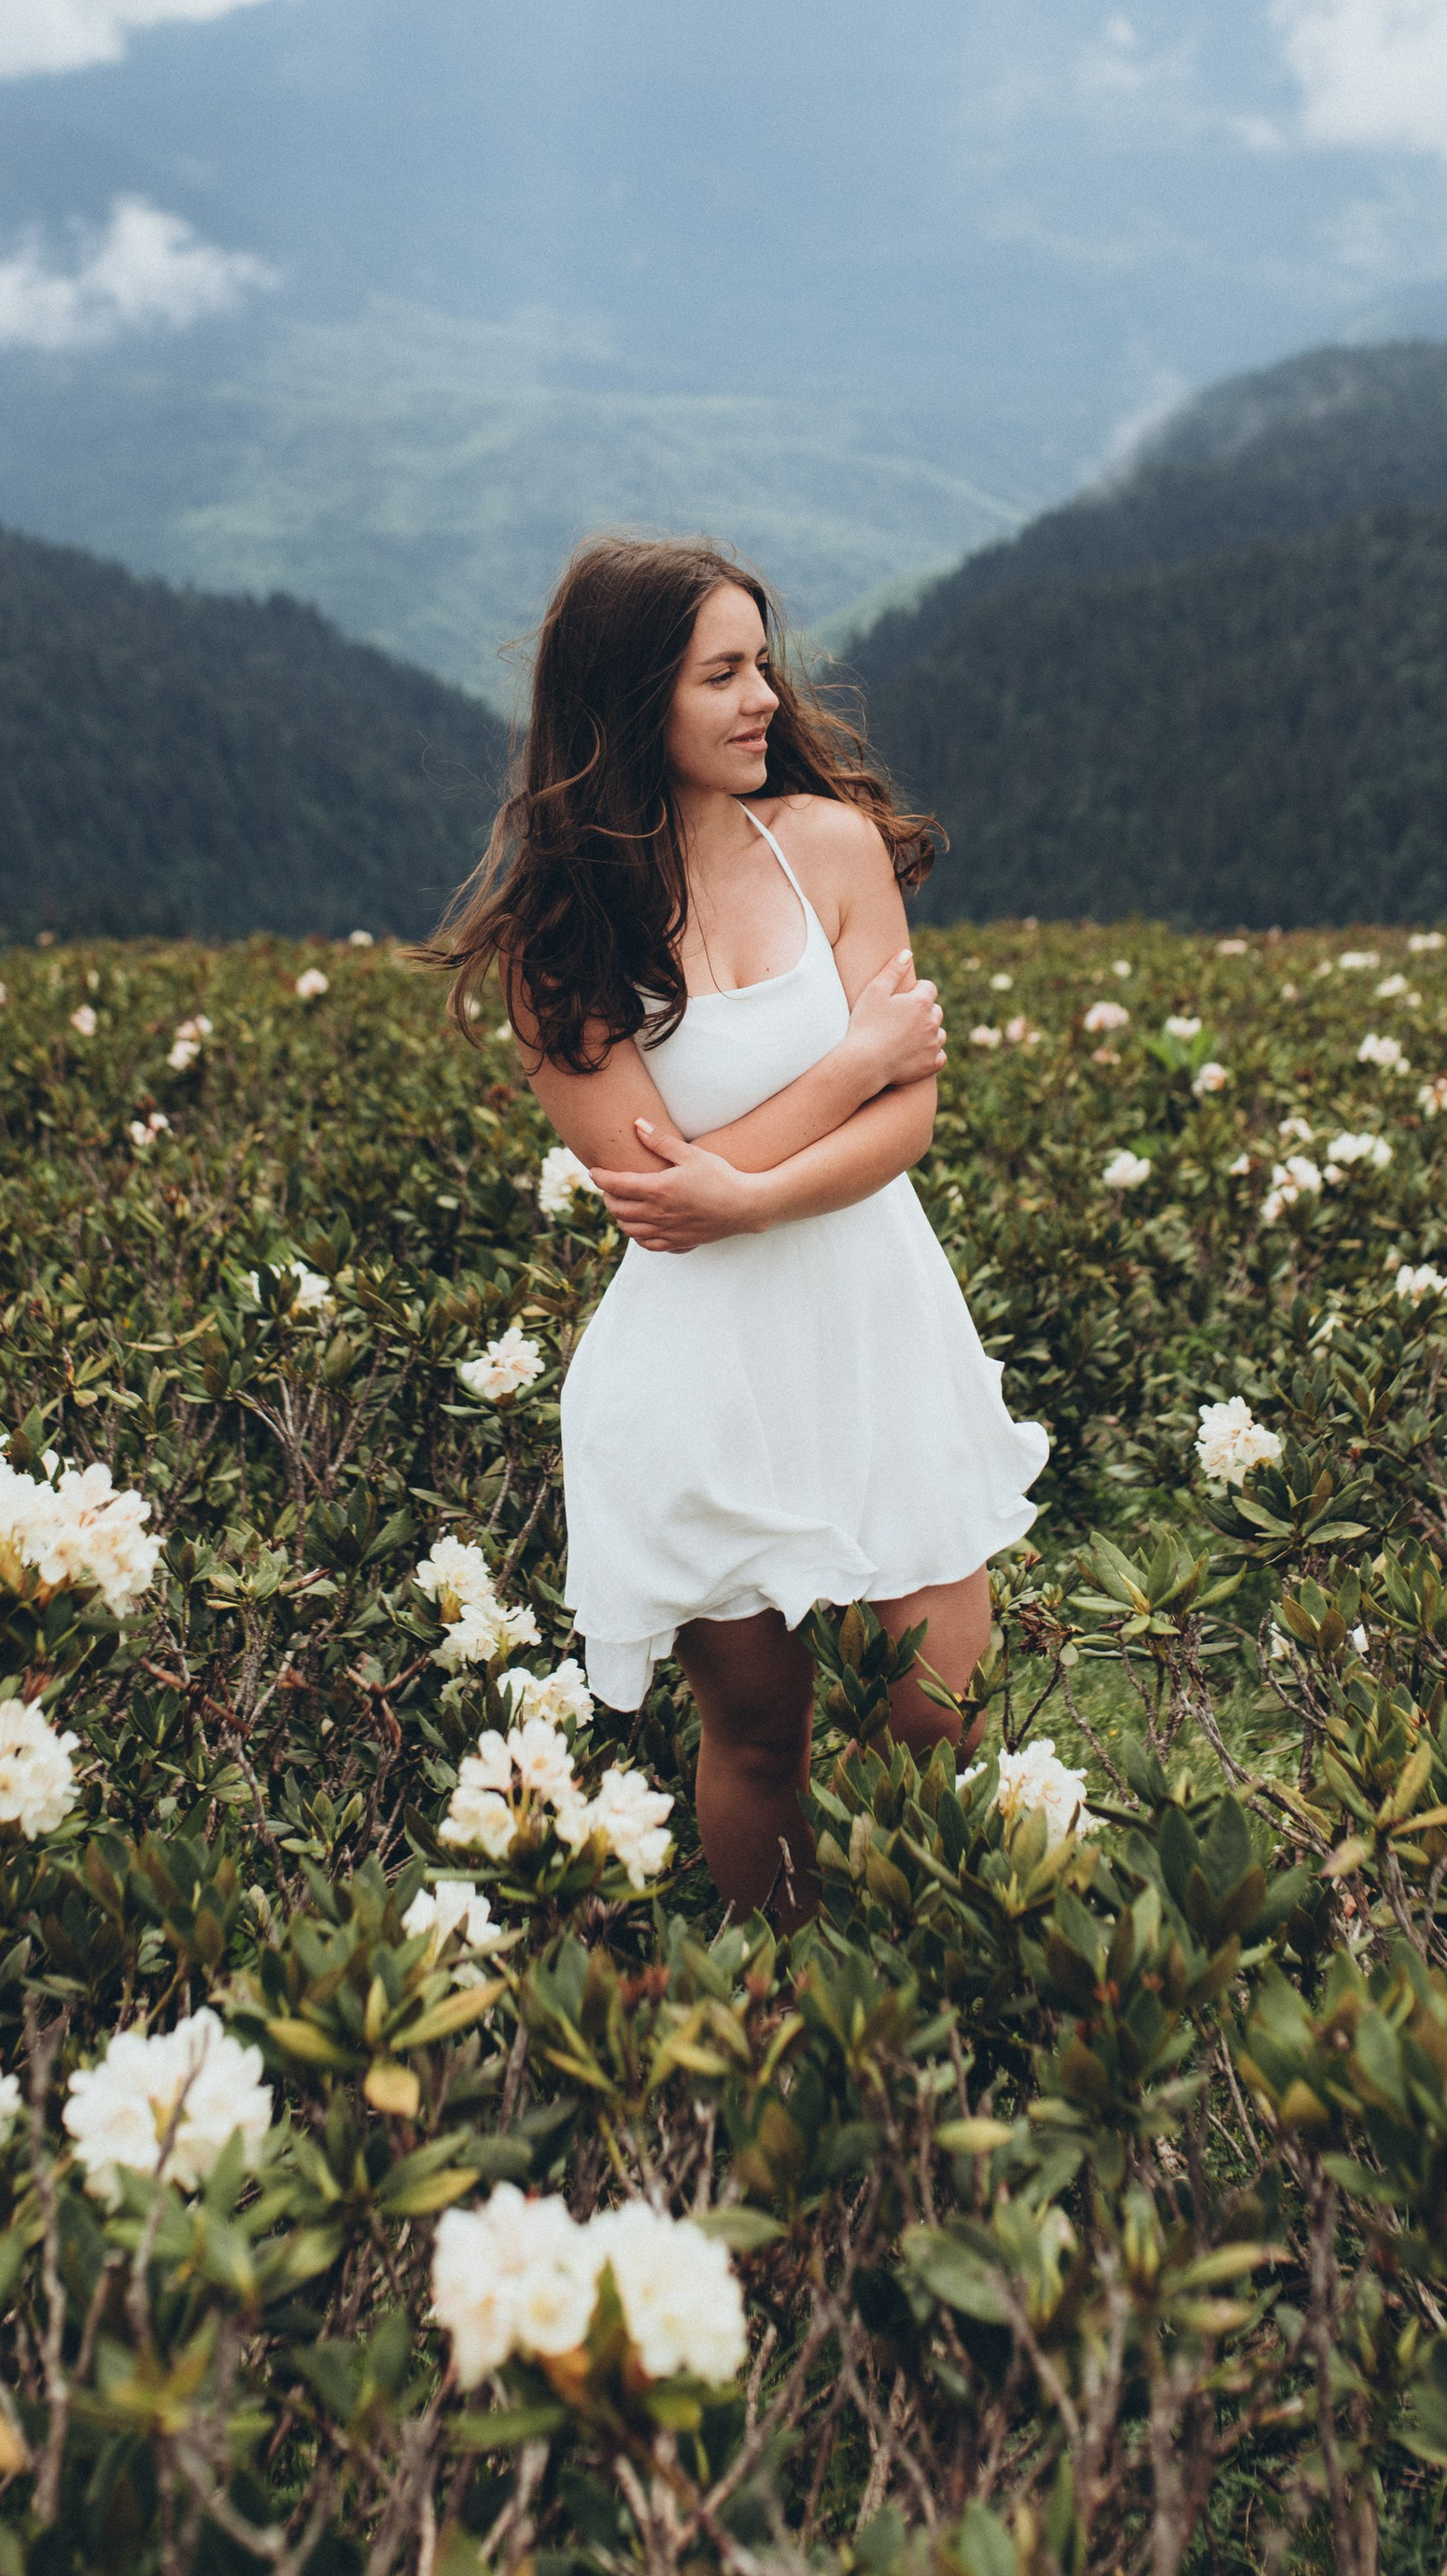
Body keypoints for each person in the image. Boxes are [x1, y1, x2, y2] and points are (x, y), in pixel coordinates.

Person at [437, 534, 1049, 1921]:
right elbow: (660, 1194)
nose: (766, 697)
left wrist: (755, 1192)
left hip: (881, 1336)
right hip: (701, 1379)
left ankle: (932, 1985)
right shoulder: (559, 945)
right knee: (762, 1738)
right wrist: (847, 1067)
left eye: (760, 664)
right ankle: (783, 1997)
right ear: (628, 702)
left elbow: (909, 1119)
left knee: (940, 1716)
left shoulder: (829, 847)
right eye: (722, 675)